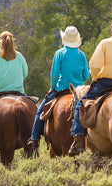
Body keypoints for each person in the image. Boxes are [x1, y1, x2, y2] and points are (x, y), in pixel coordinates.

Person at [67, 16, 112, 155]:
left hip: (106, 83)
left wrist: (96, 77)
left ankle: (78, 140)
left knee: (80, 105)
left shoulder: (105, 43)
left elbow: (94, 66)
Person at [25, 25, 90, 154]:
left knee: (40, 110)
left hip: (61, 89)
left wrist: (53, 88)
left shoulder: (59, 53)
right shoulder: (81, 55)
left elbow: (54, 75)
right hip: (78, 91)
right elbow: (86, 76)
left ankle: (34, 138)